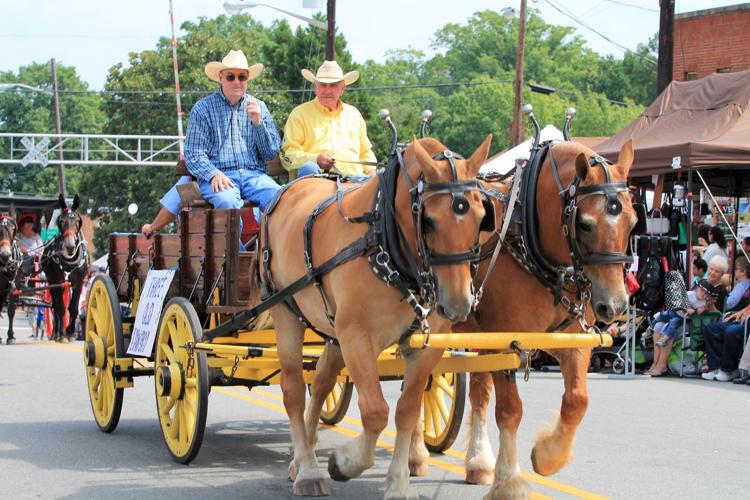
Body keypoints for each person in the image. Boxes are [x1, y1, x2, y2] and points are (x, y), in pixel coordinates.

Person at [184, 49, 281, 214]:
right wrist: (213, 174)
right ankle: (238, 242)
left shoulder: (260, 107)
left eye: (242, 76)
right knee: (227, 201)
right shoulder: (202, 109)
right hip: (220, 176)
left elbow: (270, 154)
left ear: (247, 79)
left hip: (254, 176)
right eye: (230, 76)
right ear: (220, 78)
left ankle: (266, 241)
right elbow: (193, 154)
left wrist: (258, 123)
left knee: (280, 198)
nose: (237, 81)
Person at [280, 60, 376, 179]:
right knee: (309, 167)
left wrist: (372, 173)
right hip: (316, 176)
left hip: (354, 180)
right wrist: (316, 159)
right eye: (323, 85)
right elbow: (287, 155)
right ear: (315, 87)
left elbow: (365, 152)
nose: (328, 90)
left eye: (333, 85)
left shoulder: (354, 114)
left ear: (342, 89)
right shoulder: (299, 114)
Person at [647, 279, 717, 376]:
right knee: (658, 326)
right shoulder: (690, 294)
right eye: (711, 269)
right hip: (679, 316)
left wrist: (707, 305)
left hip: (691, 323)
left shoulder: (710, 297)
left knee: (667, 328)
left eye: (716, 271)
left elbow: (711, 311)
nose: (704, 294)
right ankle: (655, 363)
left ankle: (661, 365)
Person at [701, 302, 750, 382]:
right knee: (711, 328)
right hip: (740, 321)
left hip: (747, 324)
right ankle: (715, 367)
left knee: (731, 331)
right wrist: (738, 313)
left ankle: (729, 370)